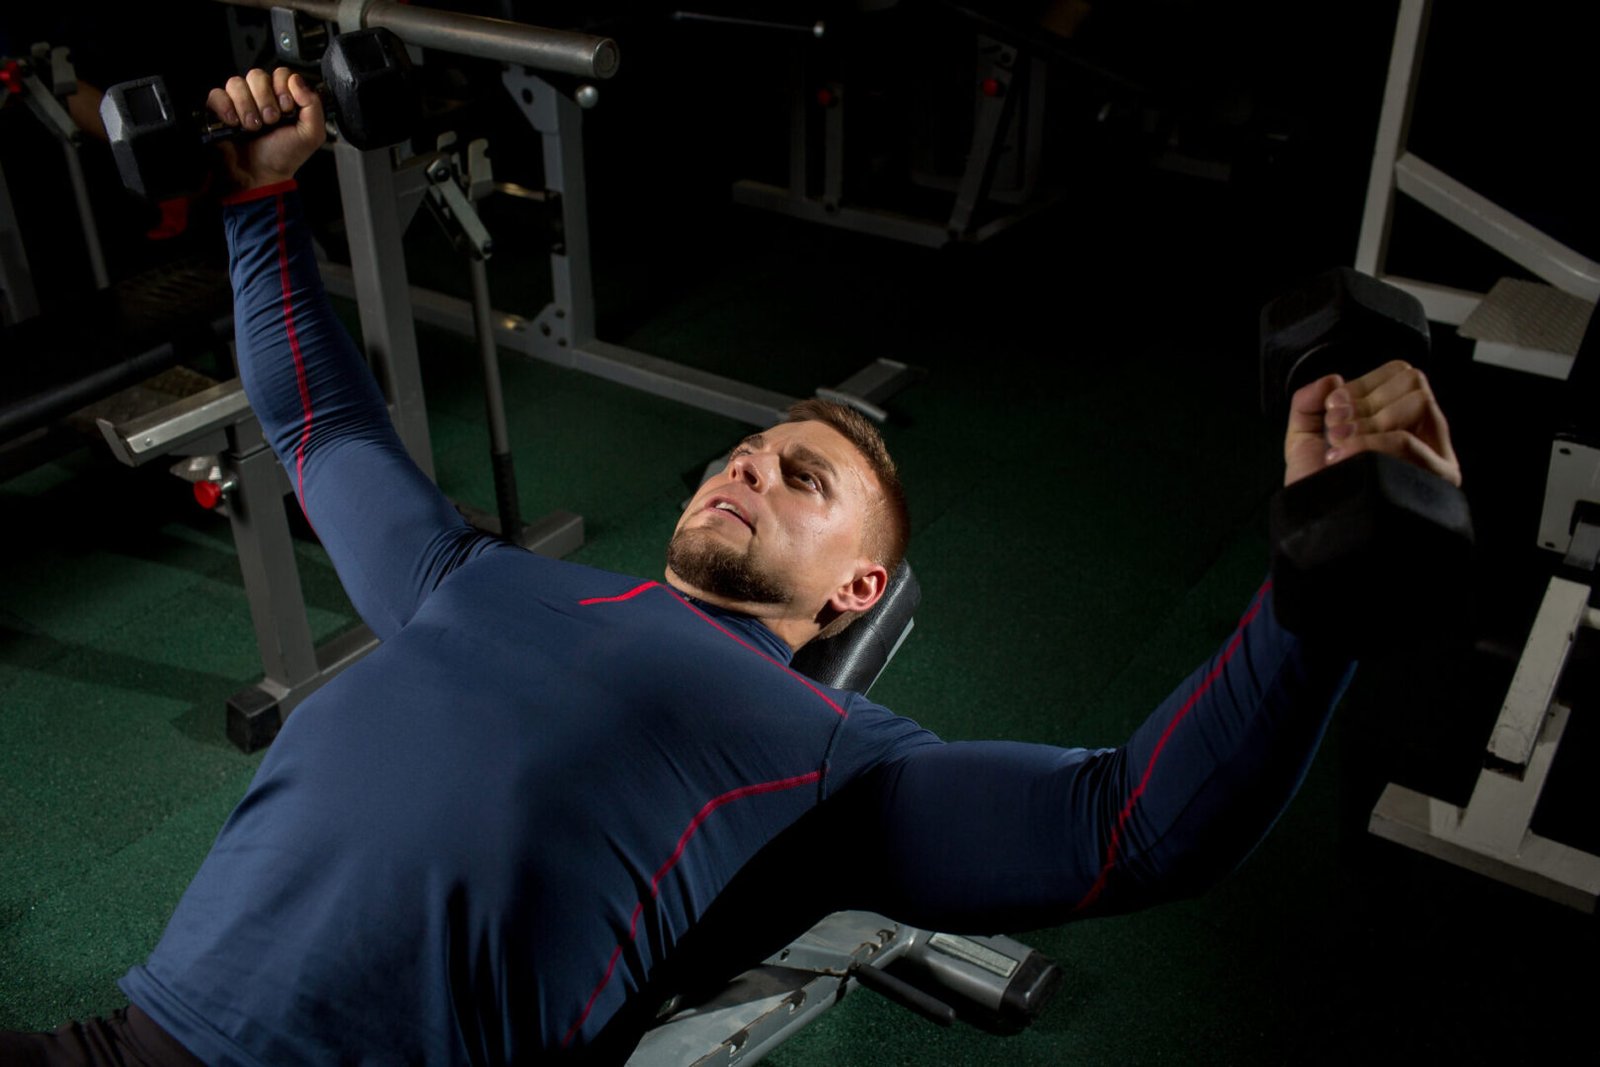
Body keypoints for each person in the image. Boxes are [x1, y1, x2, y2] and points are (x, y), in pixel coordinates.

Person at [1, 67, 1463, 1066]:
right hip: (124, 1040)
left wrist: (1316, 594)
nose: (748, 464)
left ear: (857, 594)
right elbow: (319, 417)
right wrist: (260, 199)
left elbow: (1130, 826)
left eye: (806, 476)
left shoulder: (834, 761)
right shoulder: (474, 578)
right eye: (746, 452)